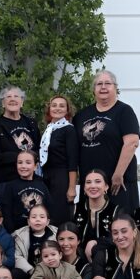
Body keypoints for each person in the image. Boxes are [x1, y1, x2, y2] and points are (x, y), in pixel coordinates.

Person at [73, 69, 140, 210]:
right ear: (94, 90)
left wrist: (118, 174)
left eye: (108, 83)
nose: (103, 87)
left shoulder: (124, 111)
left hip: (118, 182)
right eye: (99, 84)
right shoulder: (81, 115)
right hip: (91, 184)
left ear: (115, 88)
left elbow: (132, 143)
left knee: (121, 224)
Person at [0, 85, 39, 201]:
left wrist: (13, 155)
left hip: (31, 180)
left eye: (16, 96)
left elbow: (39, 151)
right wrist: (22, 156)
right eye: (8, 96)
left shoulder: (31, 124)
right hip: (7, 181)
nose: (12, 99)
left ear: (22, 102)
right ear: (3, 103)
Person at [37, 95, 80, 226]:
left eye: (62, 106)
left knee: (59, 215)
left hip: (61, 177)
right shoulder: (49, 129)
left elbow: (73, 161)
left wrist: (72, 188)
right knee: (47, 214)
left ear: (67, 110)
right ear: (49, 109)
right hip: (46, 177)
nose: (57, 108)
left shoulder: (69, 130)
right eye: (54, 105)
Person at [0, 150, 53, 233]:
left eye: (28, 163)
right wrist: (12, 232)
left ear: (36, 166)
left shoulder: (42, 185)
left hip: (40, 231)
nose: (23, 166)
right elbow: (6, 213)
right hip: (18, 232)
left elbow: (49, 209)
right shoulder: (10, 186)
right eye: (20, 162)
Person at [74, 168, 121, 260]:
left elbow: (120, 237)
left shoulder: (117, 211)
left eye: (98, 181)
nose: (92, 186)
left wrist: (95, 243)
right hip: (79, 261)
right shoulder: (75, 209)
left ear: (106, 186)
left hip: (108, 260)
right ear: (84, 187)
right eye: (88, 182)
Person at [12, 204, 57, 275]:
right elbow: (18, 257)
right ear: (28, 221)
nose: (38, 219)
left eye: (42, 217)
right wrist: (31, 270)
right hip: (29, 271)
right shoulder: (20, 236)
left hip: (50, 271)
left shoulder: (56, 234)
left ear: (48, 221)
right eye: (34, 217)